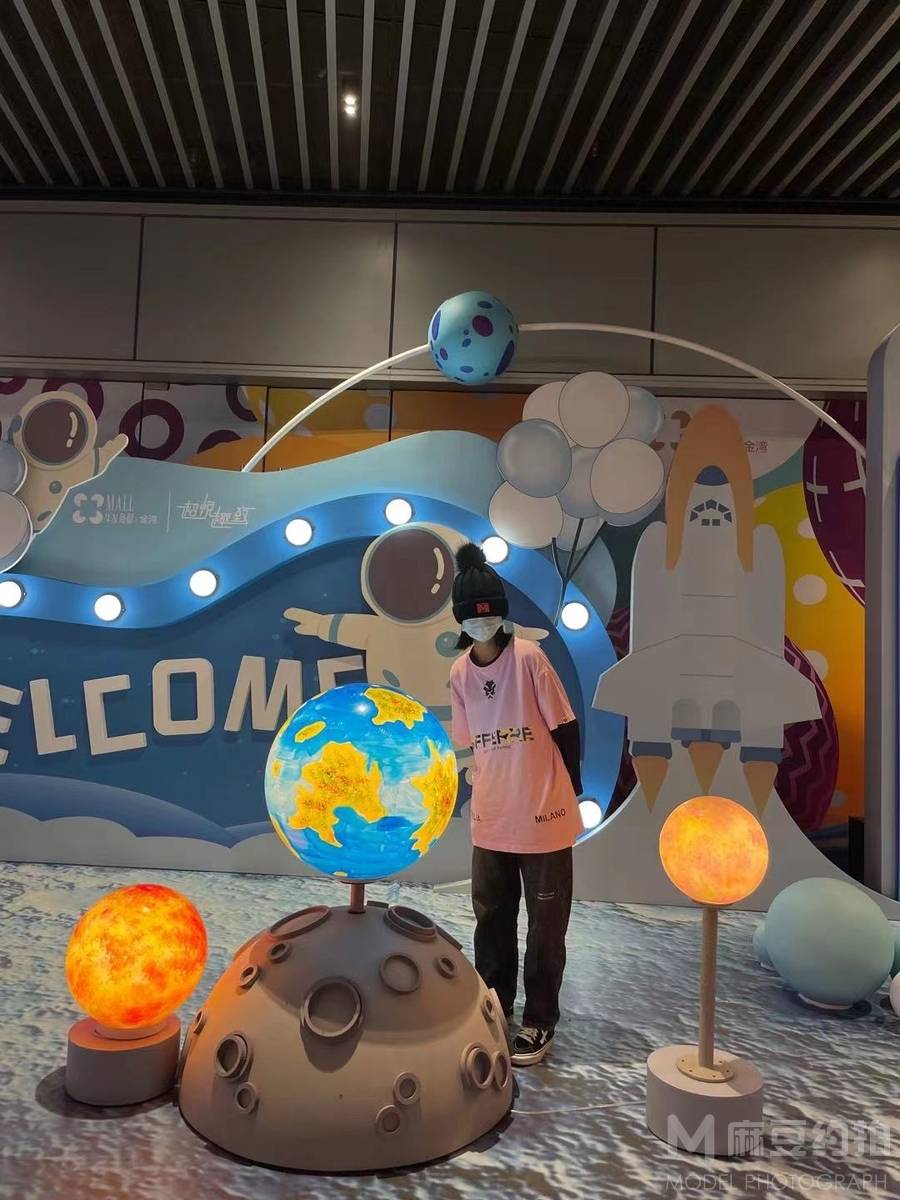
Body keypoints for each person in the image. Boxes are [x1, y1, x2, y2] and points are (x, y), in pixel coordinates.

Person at [449, 542, 583, 1066]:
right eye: (473, 614)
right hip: (492, 818)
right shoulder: (460, 673)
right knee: (491, 918)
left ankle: (540, 1018)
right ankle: (494, 1004)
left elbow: (565, 727)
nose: (482, 621)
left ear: (501, 612)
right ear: (461, 619)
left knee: (546, 926)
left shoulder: (528, 657)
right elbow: (471, 740)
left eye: (489, 612)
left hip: (543, 818)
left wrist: (566, 789)